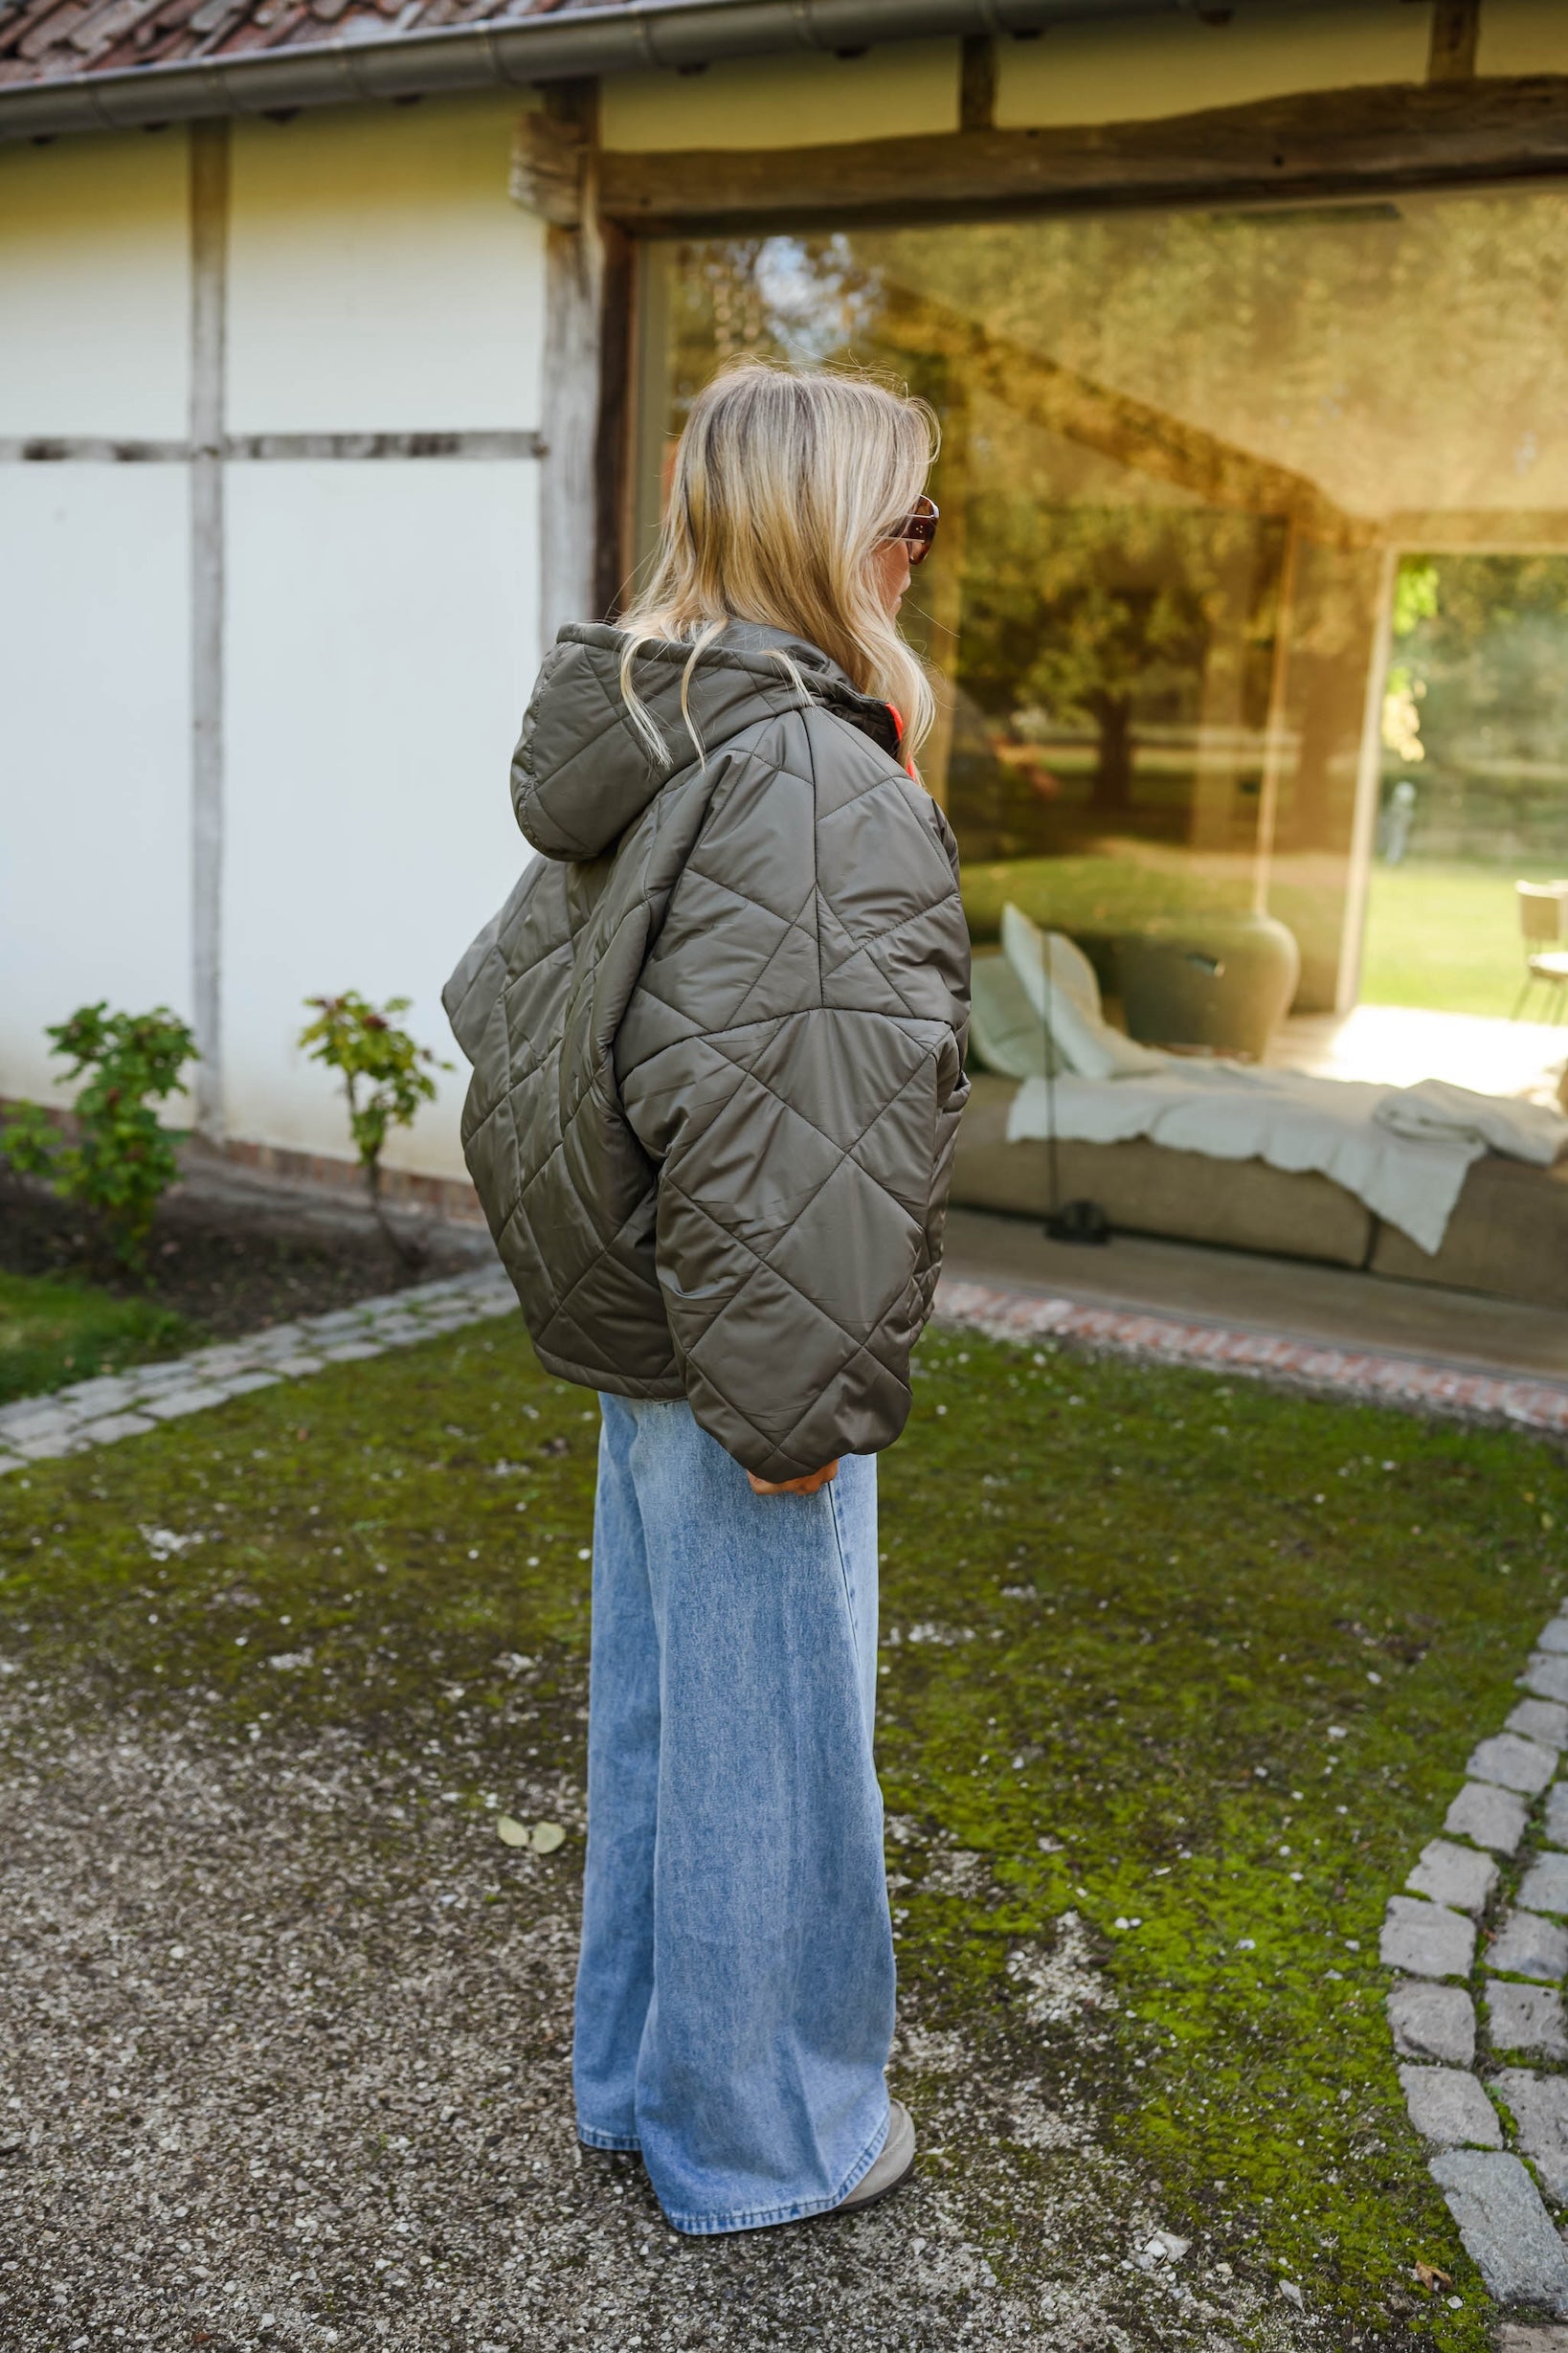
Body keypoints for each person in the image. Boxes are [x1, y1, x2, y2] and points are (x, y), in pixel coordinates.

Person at [444, 358, 971, 2236]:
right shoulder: (814, 772)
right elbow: (793, 1121)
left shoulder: (660, 728)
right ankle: (762, 2139)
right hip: (739, 1336)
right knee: (769, 1746)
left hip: (650, 1317)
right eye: (907, 523)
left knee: (671, 1722)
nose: (920, 559)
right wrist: (795, 1404)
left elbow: (529, 1014)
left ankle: (642, 2087)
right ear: (829, 538)